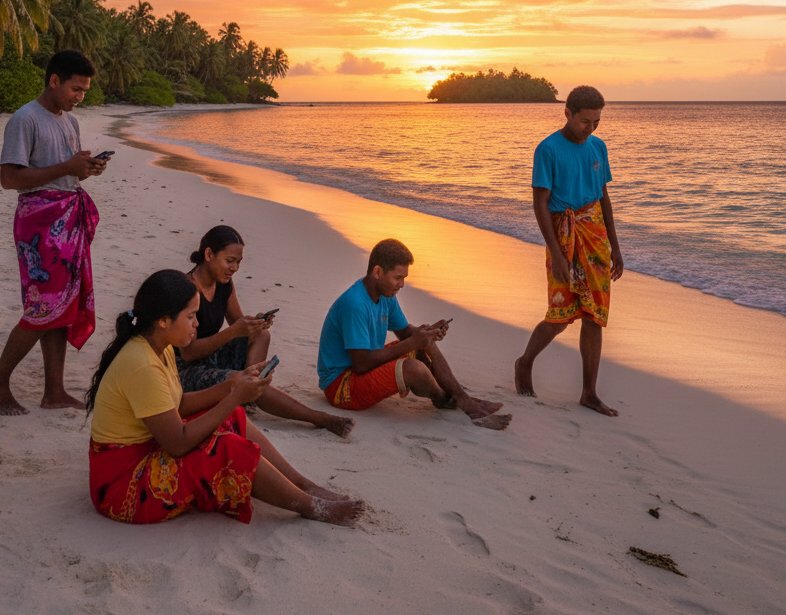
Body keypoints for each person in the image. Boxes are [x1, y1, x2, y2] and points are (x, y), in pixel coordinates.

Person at [86, 269, 364, 527]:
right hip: (122, 487)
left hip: (146, 451)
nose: (197, 323)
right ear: (163, 320)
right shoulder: (143, 363)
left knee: (233, 416)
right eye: (191, 316)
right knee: (225, 446)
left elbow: (178, 405)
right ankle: (309, 506)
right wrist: (234, 397)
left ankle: (302, 485)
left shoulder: (160, 346)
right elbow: (178, 442)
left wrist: (232, 384)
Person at [0, 49, 107, 416]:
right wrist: (67, 166)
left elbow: (64, 171)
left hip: (68, 215)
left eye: (84, 91)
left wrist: (84, 169)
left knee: (63, 306)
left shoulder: (68, 121)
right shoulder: (25, 119)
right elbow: (10, 179)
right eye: (75, 89)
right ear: (54, 80)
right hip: (39, 222)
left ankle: (54, 391)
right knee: (43, 306)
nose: (79, 97)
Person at [177, 226, 354, 438]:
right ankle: (318, 418)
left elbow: (238, 324)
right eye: (230, 260)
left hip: (210, 357)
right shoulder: (187, 291)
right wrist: (233, 332)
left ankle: (251, 389)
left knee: (261, 335)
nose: (234, 268)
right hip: (186, 369)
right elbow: (188, 353)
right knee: (248, 380)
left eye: (238, 262)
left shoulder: (224, 283)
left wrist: (255, 324)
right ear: (208, 255)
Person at [316, 239, 511, 430]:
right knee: (414, 369)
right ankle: (445, 399)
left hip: (361, 368)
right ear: (377, 272)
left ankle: (464, 400)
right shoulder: (355, 304)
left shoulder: (385, 294)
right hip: (341, 386)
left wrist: (427, 333)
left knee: (424, 340)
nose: (401, 284)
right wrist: (413, 342)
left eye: (404, 279)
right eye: (398, 277)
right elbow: (361, 364)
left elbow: (404, 332)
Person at [514, 84, 625, 416]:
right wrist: (557, 254)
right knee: (561, 313)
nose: (590, 128)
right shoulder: (547, 149)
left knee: (595, 316)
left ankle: (589, 392)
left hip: (595, 238)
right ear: (568, 113)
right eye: (584, 121)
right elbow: (540, 203)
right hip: (563, 237)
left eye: (596, 122)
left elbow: (603, 196)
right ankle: (525, 362)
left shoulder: (598, 147)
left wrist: (616, 247)